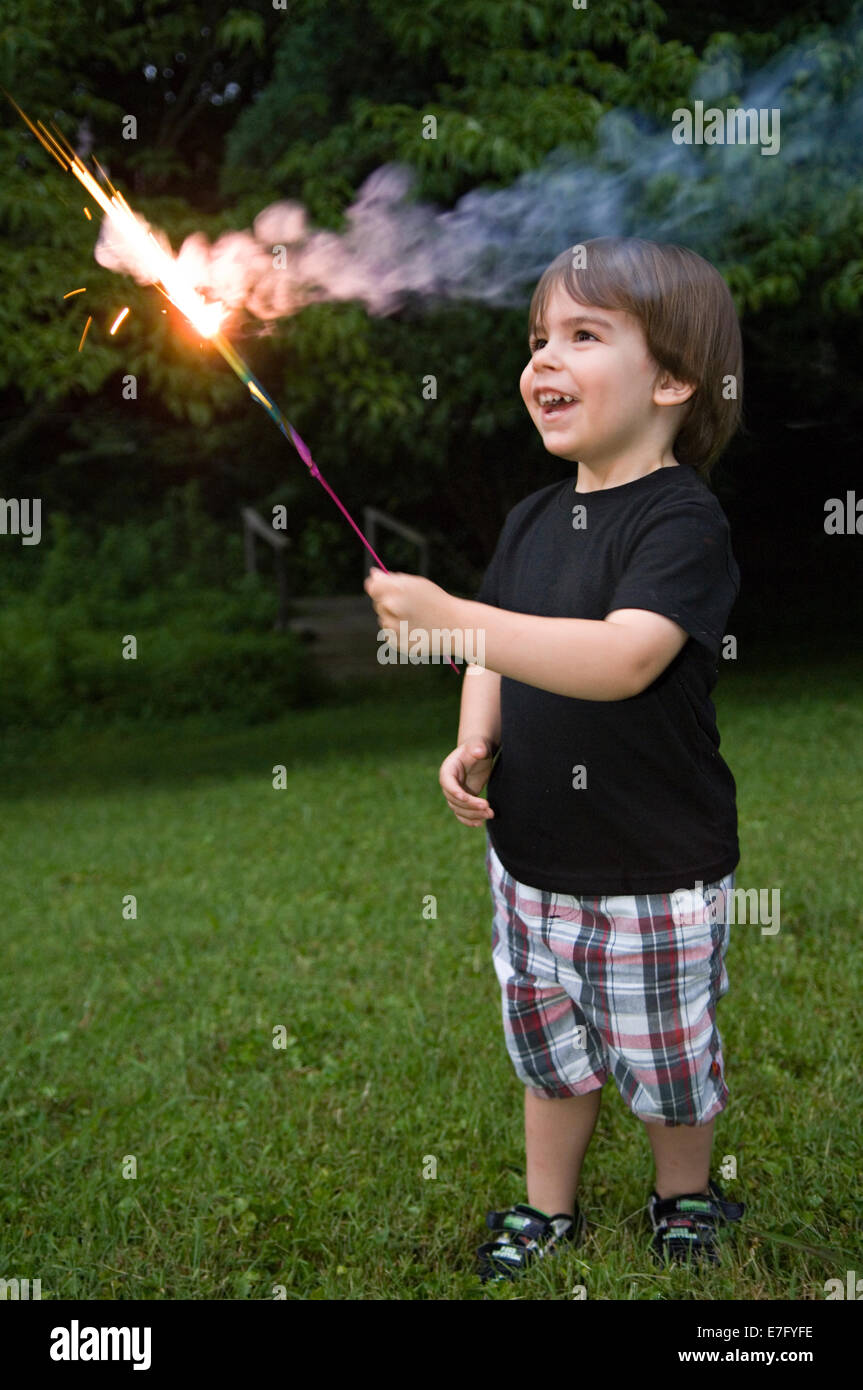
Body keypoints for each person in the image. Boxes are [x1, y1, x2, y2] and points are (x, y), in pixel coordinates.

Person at [364, 235, 746, 1285]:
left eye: (582, 335)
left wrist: (452, 621)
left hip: (651, 868)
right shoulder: (532, 516)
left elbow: (624, 657)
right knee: (548, 1051)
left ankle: (682, 1195)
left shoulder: (679, 518)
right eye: (537, 338)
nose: (542, 360)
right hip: (530, 862)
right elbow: (498, 637)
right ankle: (548, 1210)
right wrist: (472, 734)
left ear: (669, 377)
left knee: (666, 1061)